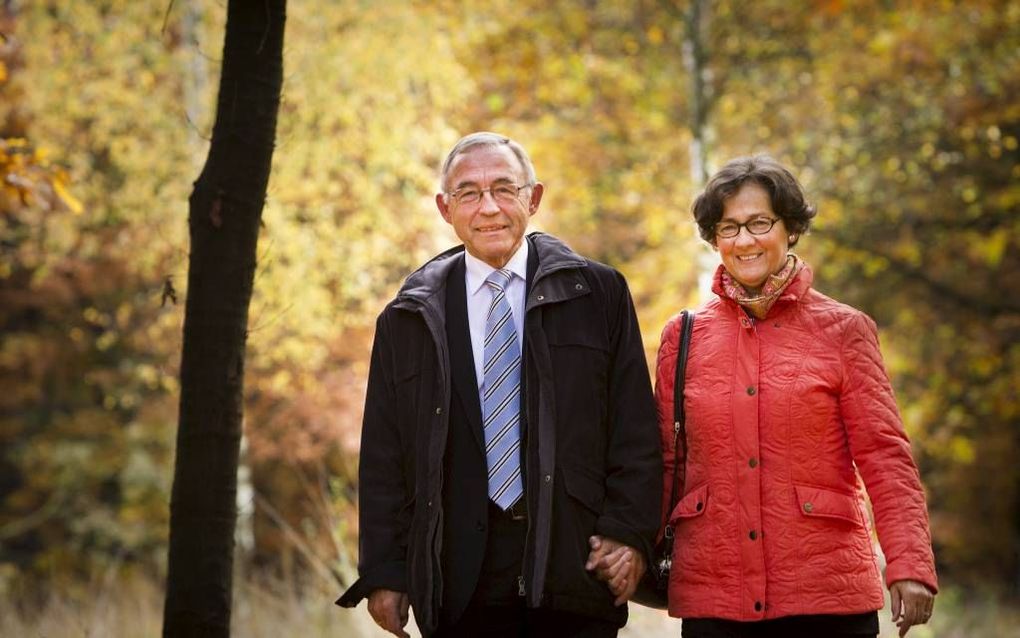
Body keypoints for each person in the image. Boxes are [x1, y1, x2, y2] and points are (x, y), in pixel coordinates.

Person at [597, 155, 938, 638]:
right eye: (728, 227)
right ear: (714, 239)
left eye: (759, 223)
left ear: (790, 228)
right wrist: (630, 544)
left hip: (826, 594)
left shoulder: (845, 330)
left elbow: (885, 457)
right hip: (715, 598)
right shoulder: (683, 335)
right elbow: (665, 463)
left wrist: (910, 564)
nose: (744, 240)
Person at [336, 132, 661, 637]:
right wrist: (386, 569)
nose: (489, 208)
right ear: (445, 209)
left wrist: (629, 534)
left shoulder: (598, 294)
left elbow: (635, 429)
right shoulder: (408, 317)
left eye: (505, 189)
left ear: (534, 198)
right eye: (469, 193)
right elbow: (384, 454)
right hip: (456, 583)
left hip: (575, 572)